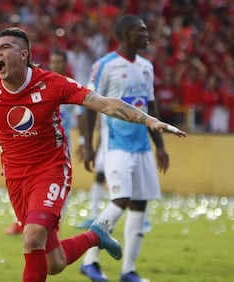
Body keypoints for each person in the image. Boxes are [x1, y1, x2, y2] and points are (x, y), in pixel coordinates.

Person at [0, 27, 185, 282]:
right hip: (16, 178)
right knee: (52, 263)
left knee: (31, 237)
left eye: (5, 47)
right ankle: (96, 236)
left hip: (51, 169)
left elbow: (105, 103)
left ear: (24, 55)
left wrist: (150, 121)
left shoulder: (53, 83)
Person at [80, 15, 177, 282]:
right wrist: (88, 145)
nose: (147, 35)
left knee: (139, 205)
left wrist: (160, 146)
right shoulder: (104, 66)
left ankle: (129, 271)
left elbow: (151, 106)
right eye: (140, 31)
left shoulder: (147, 66)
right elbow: (89, 105)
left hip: (143, 147)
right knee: (120, 201)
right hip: (116, 147)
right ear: (125, 35)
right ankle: (90, 261)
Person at [3, 49, 75, 235]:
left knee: (57, 187)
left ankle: (53, 225)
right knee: (24, 184)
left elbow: (81, 115)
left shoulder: (69, 87)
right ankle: (20, 221)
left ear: (65, 65)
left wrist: (83, 140)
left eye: (59, 62)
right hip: (36, 142)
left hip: (60, 144)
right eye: (53, 61)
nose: (56, 65)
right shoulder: (40, 84)